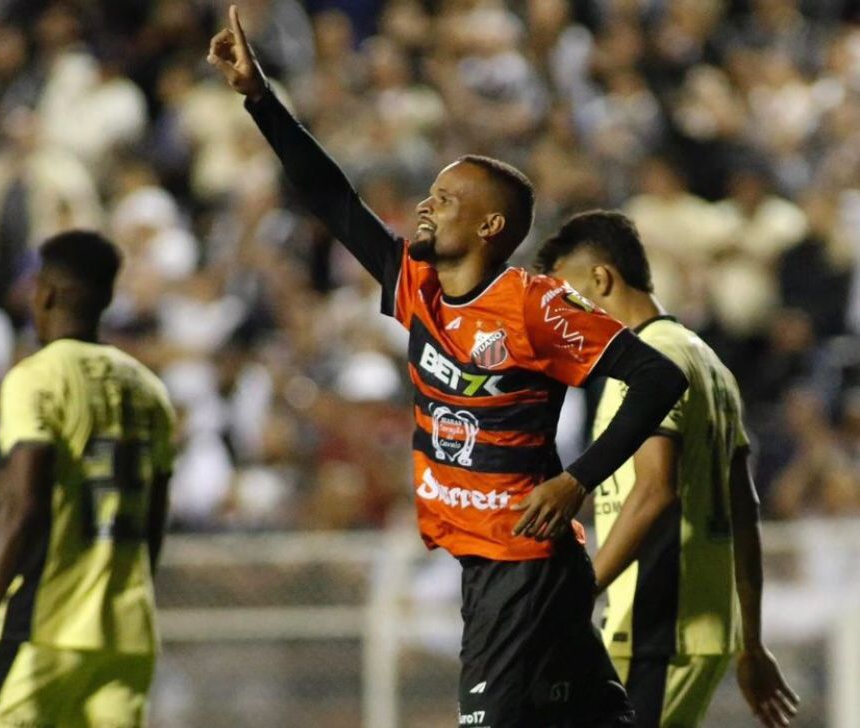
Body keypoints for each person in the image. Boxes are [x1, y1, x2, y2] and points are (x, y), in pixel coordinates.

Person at [209, 7, 688, 726]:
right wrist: (258, 97)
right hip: (497, 567)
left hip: (519, 569)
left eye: (444, 199)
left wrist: (573, 478)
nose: (424, 207)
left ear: (489, 227)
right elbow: (331, 199)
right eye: (429, 194)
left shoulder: (533, 307)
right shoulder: (416, 288)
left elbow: (658, 378)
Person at [534, 210, 800, 728]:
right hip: (691, 628)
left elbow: (655, 491)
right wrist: (750, 640)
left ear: (601, 280)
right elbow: (744, 509)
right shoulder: (709, 363)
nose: (557, 316)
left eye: (563, 297)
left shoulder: (652, 360)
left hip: (657, 625)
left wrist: (574, 598)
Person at [0, 230, 175, 728]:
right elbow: (153, 527)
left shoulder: (38, 375)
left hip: (47, 629)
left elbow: (24, 507)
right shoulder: (149, 389)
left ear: (46, 293)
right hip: (126, 638)